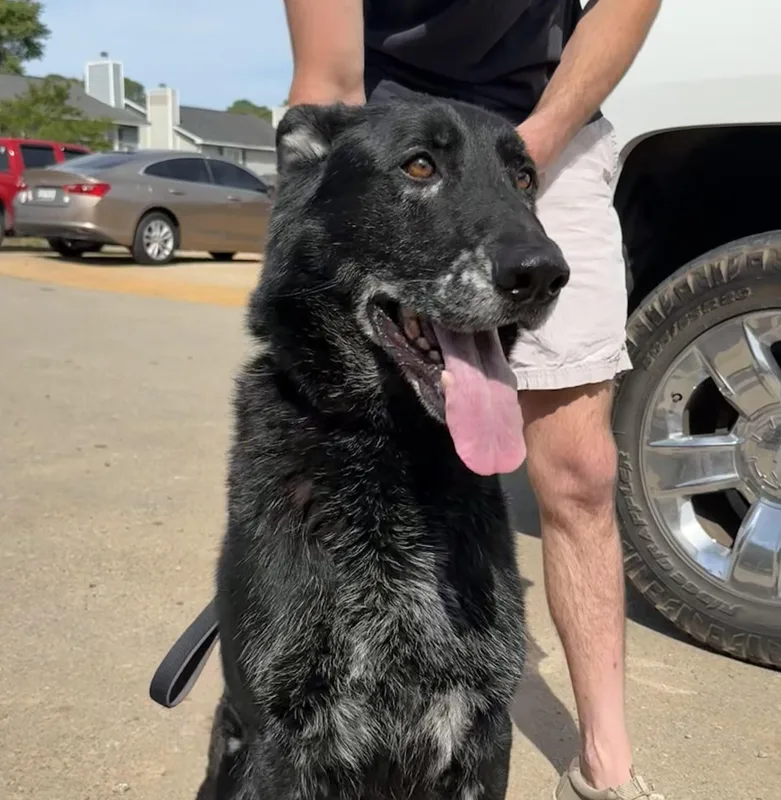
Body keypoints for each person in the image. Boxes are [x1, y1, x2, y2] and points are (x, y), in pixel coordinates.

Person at [280, 1, 665, 798]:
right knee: (360, 456)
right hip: (397, 134)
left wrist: (524, 162)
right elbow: (328, 75)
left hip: (546, 124)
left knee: (582, 469)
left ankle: (606, 765)